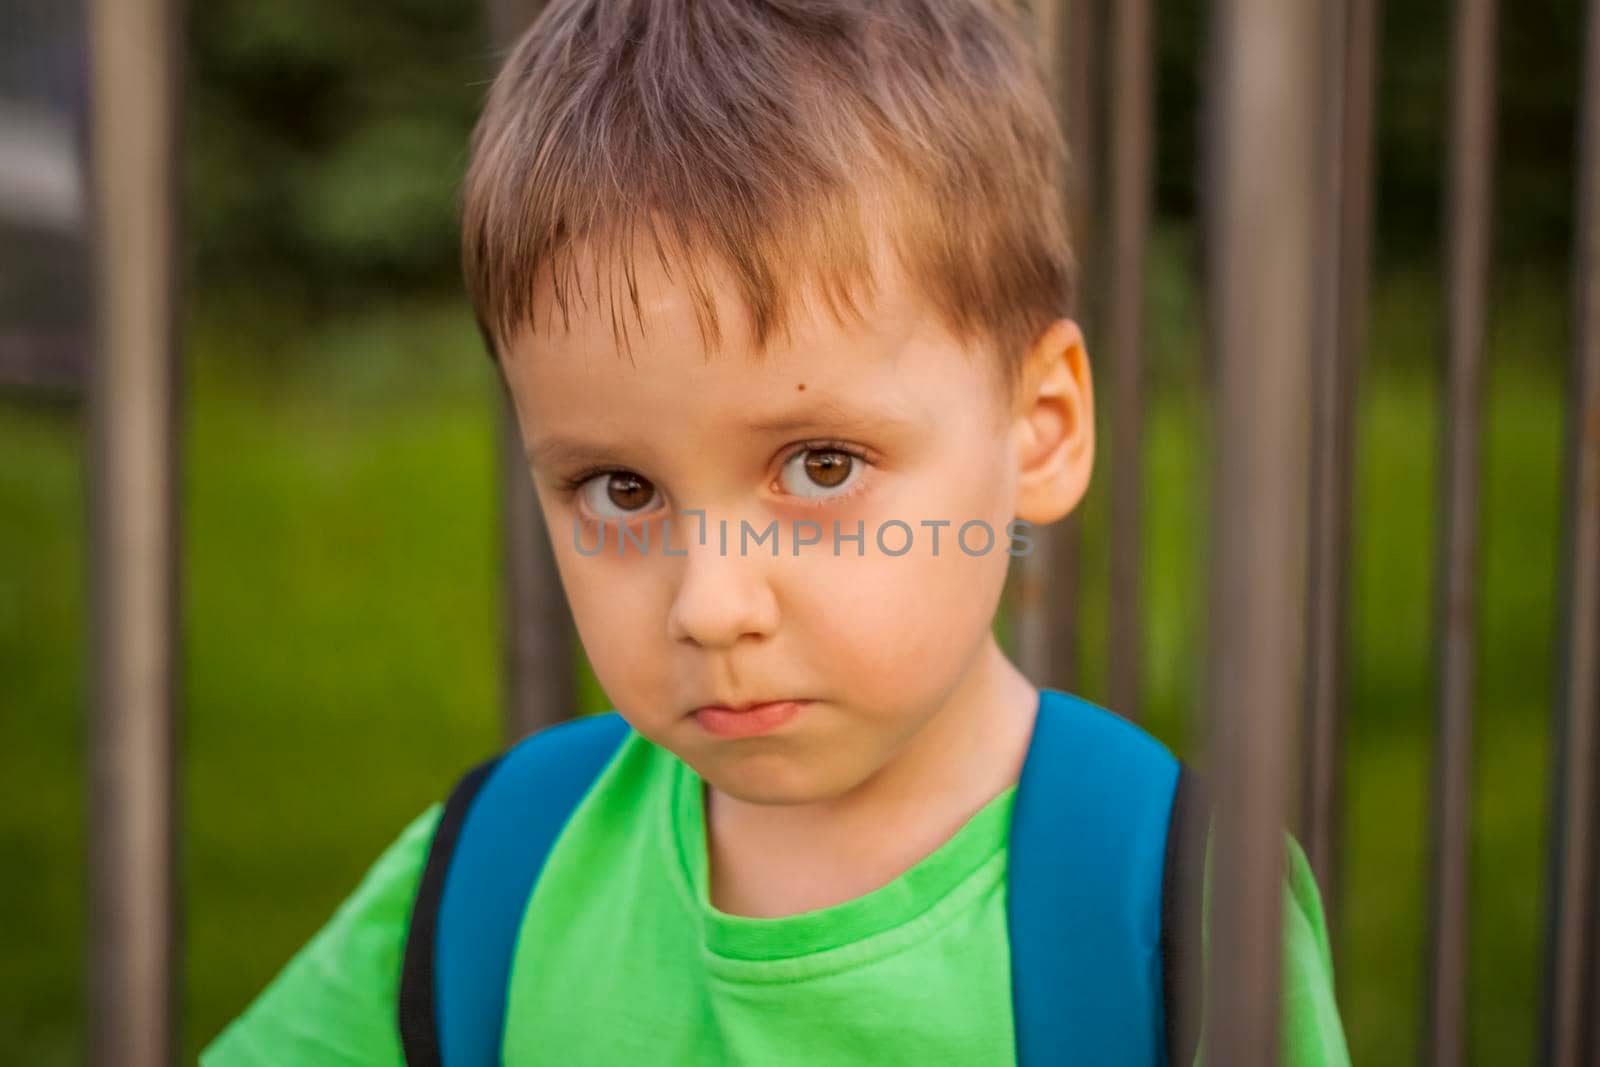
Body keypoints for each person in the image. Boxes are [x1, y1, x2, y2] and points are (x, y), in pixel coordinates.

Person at [201, 0, 1352, 1063]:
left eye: (820, 465)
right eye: (619, 487)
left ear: (1038, 430)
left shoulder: (1172, 911)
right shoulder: (492, 875)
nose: (708, 605)